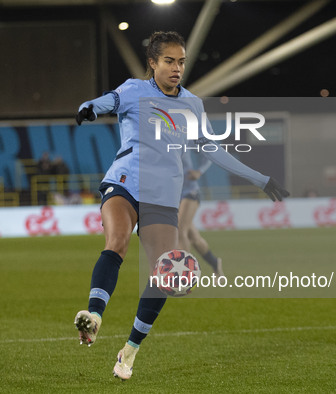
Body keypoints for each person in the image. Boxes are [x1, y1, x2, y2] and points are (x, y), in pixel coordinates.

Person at [73, 31, 289, 380]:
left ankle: (129, 352)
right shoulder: (134, 90)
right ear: (153, 63)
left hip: (163, 194)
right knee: (117, 242)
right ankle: (95, 315)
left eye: (182, 61)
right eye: (170, 61)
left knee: (167, 271)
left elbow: (213, 149)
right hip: (126, 181)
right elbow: (106, 102)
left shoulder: (192, 104)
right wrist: (89, 108)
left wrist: (259, 178)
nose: (177, 68)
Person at [177, 151, 224, 277]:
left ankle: (185, 274)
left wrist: (200, 171)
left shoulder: (186, 137)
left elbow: (210, 154)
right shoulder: (161, 139)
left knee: (180, 231)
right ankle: (215, 262)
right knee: (194, 238)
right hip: (174, 196)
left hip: (189, 192)